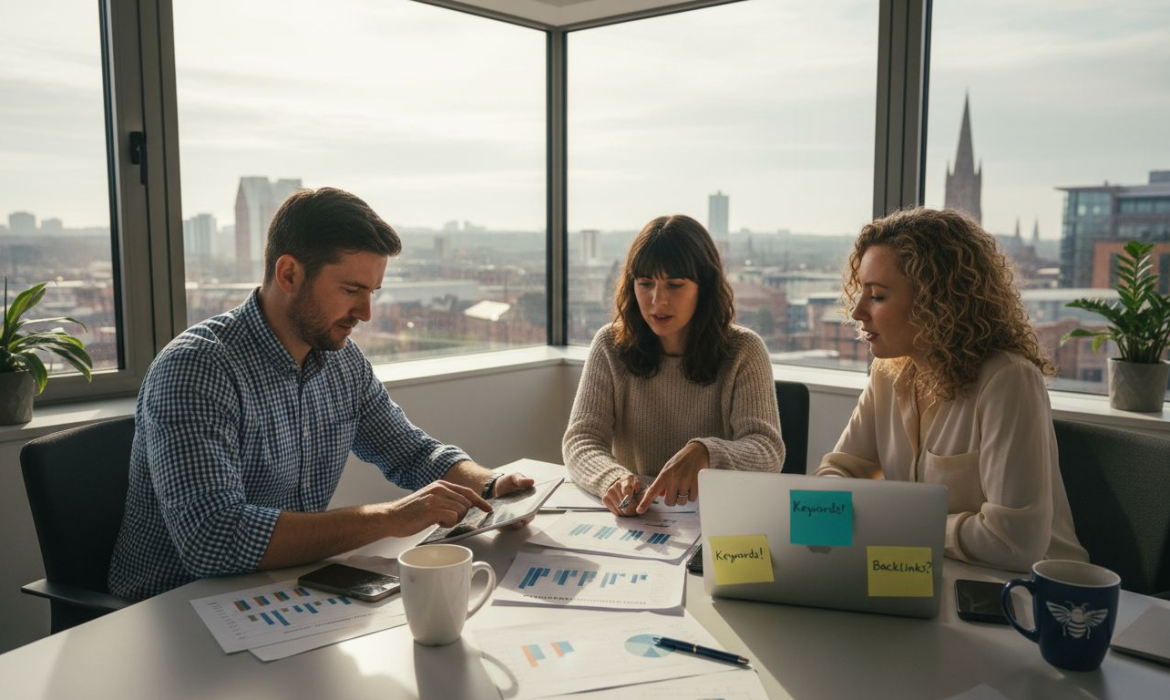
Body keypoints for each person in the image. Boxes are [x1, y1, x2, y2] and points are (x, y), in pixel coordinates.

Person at [109, 187, 533, 600]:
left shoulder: (341, 361)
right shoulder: (197, 369)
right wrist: (391, 517)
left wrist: (491, 484)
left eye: (371, 293)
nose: (365, 313)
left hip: (284, 593)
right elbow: (214, 538)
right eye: (351, 290)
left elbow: (412, 454)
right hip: (169, 611)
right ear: (289, 273)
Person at [816, 207, 1088, 572]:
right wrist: (825, 517)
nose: (857, 312)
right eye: (860, 293)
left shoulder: (1008, 380)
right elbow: (841, 470)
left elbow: (1014, 542)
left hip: (1031, 598)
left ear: (935, 301)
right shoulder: (887, 372)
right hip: (922, 572)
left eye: (877, 296)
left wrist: (892, 520)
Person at [563, 214, 784, 517]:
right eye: (645, 283)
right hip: (638, 519)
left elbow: (768, 450)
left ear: (703, 287)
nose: (657, 300)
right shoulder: (609, 346)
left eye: (675, 285)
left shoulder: (744, 350)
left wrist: (707, 453)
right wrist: (612, 478)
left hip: (718, 520)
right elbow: (581, 439)